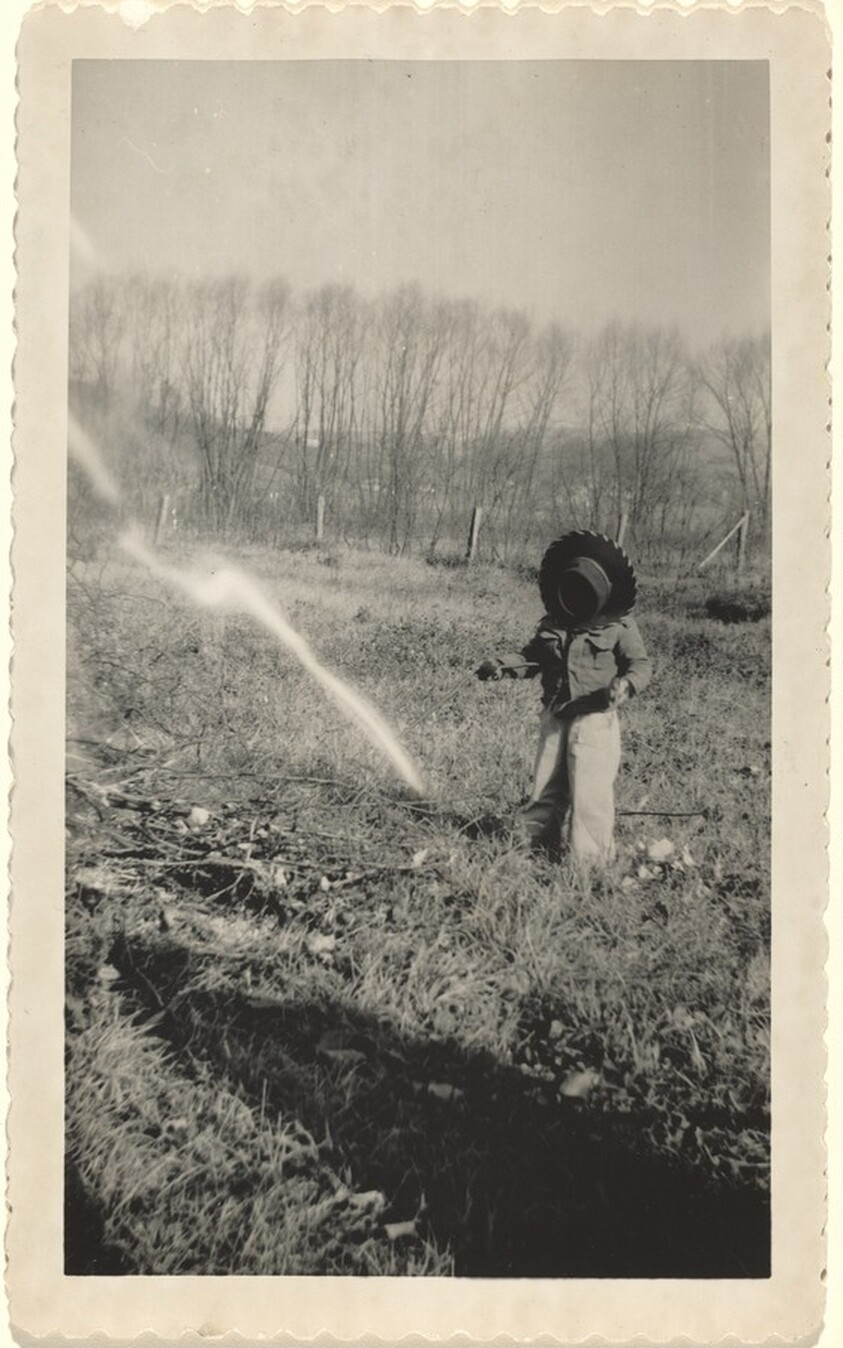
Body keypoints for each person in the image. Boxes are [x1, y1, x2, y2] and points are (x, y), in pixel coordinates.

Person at [477, 530, 651, 866]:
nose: (576, 596)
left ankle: (589, 863)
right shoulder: (552, 623)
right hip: (555, 715)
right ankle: (537, 848)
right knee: (544, 786)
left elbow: (640, 665)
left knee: (590, 792)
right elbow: (531, 659)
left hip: (595, 720)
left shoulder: (619, 626)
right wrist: (499, 666)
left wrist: (626, 686)